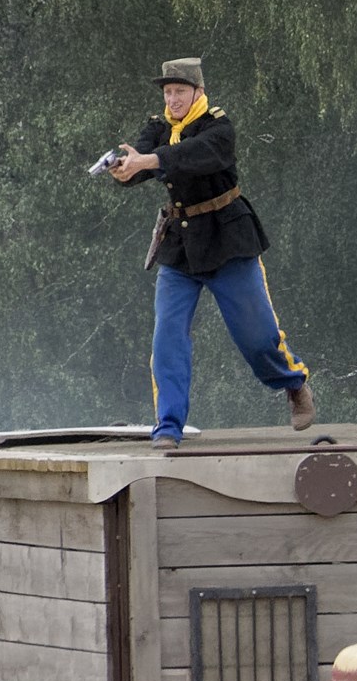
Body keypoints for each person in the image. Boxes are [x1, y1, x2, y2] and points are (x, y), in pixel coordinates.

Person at [107, 57, 316, 440]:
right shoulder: (157, 129)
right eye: (168, 92)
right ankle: (168, 427)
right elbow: (141, 160)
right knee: (167, 339)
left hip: (228, 240)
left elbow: (194, 157)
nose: (172, 100)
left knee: (256, 336)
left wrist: (148, 161)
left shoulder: (218, 127)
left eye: (180, 92)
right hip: (180, 247)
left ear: (198, 93)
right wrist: (124, 168)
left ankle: (294, 382)